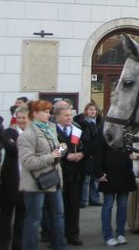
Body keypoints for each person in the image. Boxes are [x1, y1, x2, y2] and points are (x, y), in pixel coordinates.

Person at [18, 99, 67, 250]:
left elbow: (55, 149)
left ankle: (60, 245)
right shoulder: (28, 134)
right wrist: (51, 156)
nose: (48, 114)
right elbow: (28, 162)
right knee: (34, 219)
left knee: (58, 215)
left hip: (54, 179)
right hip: (35, 182)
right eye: (45, 112)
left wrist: (61, 148)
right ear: (34, 113)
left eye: (49, 111)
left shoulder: (50, 128)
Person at [92, 126, 136, 246]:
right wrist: (99, 172)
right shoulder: (104, 130)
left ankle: (120, 233)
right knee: (108, 204)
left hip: (125, 171)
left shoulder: (127, 130)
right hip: (109, 172)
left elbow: (131, 147)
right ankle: (108, 235)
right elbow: (98, 151)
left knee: (123, 205)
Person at [0, 105, 28, 250]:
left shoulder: (31, 133)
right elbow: (10, 148)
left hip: (25, 182)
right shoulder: (9, 132)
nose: (20, 120)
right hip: (9, 183)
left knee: (22, 218)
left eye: (23, 118)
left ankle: (18, 245)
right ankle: (1, 246)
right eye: (18, 118)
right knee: (5, 217)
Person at [56, 104, 88, 246]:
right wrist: (66, 156)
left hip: (75, 173)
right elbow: (53, 148)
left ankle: (73, 234)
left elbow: (87, 145)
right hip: (60, 174)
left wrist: (82, 154)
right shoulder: (53, 130)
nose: (69, 118)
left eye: (70, 115)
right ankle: (57, 236)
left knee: (73, 206)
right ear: (57, 116)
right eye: (65, 115)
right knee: (58, 208)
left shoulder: (77, 130)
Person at [74, 101, 102, 207]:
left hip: (96, 154)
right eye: (90, 109)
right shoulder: (81, 123)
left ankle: (94, 199)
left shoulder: (99, 122)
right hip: (86, 153)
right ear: (86, 111)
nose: (93, 111)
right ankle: (84, 200)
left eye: (94, 110)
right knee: (85, 178)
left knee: (95, 178)